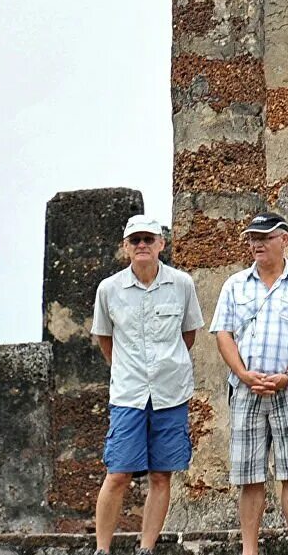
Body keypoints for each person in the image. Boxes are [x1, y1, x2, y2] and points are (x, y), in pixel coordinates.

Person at [212, 211, 288, 555]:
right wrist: (242, 374)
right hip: (246, 390)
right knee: (248, 476)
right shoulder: (234, 284)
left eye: (264, 237)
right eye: (253, 237)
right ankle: (249, 550)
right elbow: (223, 334)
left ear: (285, 238)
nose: (257, 244)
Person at [89, 215, 204, 555]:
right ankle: (102, 549)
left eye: (148, 239)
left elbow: (189, 333)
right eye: (135, 240)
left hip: (170, 392)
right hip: (129, 393)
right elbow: (104, 338)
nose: (142, 245)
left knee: (161, 474)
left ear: (161, 245)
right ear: (125, 247)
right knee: (119, 473)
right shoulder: (109, 289)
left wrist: (164, 366)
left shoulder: (182, 284)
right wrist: (127, 368)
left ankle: (146, 547)